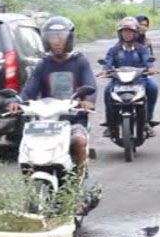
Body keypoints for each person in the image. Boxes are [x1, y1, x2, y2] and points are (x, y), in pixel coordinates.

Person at [8, 16, 96, 171]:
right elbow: (30, 87)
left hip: (73, 118)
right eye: (52, 37)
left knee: (79, 141)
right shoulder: (43, 64)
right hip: (46, 120)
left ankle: (83, 181)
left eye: (61, 37)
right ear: (46, 40)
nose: (56, 42)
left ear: (69, 39)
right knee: (29, 145)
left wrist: (88, 100)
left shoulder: (80, 61)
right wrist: (19, 102)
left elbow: (90, 84)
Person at [100, 17, 159, 138]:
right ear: (120, 33)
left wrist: (151, 68)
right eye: (124, 31)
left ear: (135, 33)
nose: (127, 34)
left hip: (139, 80)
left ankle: (147, 121)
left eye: (130, 31)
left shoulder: (141, 49)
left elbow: (147, 61)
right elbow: (108, 62)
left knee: (153, 87)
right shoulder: (114, 50)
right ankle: (110, 125)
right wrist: (105, 70)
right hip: (118, 81)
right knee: (107, 91)